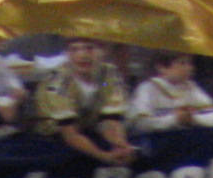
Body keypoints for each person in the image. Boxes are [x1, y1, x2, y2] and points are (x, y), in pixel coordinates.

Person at [32, 37, 136, 165]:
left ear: (102, 51)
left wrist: (121, 145)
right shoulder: (58, 82)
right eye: (74, 50)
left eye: (89, 48)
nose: (82, 55)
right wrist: (103, 156)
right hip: (52, 139)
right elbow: (70, 134)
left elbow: (110, 121)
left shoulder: (109, 74)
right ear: (67, 54)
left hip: (88, 129)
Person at [128, 52, 213, 132]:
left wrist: (193, 119)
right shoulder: (147, 89)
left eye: (190, 63)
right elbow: (140, 124)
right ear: (162, 67)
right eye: (182, 63)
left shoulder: (193, 89)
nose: (189, 68)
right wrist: (175, 119)